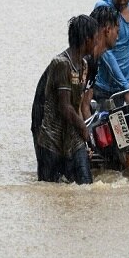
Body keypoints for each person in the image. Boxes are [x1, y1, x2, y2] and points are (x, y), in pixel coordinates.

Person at [32, 6, 119, 159]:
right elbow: (73, 106)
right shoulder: (82, 59)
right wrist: (85, 135)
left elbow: (84, 105)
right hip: (46, 114)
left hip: (65, 111)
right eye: (117, 30)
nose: (118, 35)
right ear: (107, 29)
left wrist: (89, 140)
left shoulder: (94, 61)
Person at [36, 15, 97, 184]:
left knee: (87, 186)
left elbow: (76, 105)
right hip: (52, 141)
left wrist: (85, 140)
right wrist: (84, 128)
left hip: (73, 140)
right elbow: (65, 107)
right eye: (95, 38)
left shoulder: (84, 65)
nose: (97, 43)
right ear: (87, 40)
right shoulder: (61, 64)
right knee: (50, 190)